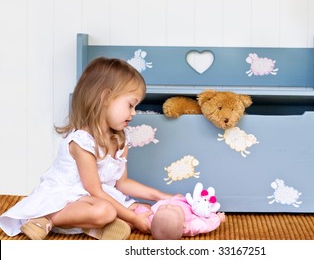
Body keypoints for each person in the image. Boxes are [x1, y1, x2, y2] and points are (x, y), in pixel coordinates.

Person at [0, 57, 174, 240]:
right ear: (105, 97)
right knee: (107, 211)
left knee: (142, 209)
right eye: (130, 105)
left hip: (92, 199)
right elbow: (95, 190)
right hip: (68, 198)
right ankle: (45, 217)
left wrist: (161, 196)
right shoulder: (82, 142)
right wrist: (131, 216)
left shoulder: (121, 140)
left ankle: (91, 227)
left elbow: (122, 184)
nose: (133, 112)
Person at [135, 195, 226, 240]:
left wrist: (138, 209)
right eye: (173, 209)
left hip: (174, 199)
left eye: (162, 209)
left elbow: (143, 213)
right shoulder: (189, 225)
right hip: (195, 206)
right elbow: (206, 225)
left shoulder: (153, 221)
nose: (168, 206)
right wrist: (218, 218)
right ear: (183, 225)